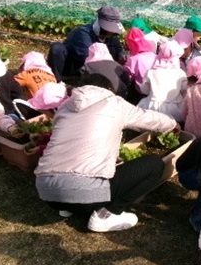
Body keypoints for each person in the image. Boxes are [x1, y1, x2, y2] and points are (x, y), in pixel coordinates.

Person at [34, 73, 178, 232]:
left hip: (46, 192)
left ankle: (67, 207)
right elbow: (149, 118)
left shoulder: (65, 106)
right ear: (109, 89)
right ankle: (107, 215)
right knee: (155, 165)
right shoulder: (114, 103)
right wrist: (173, 124)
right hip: (84, 192)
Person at [47, 6, 125, 81]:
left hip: (91, 70)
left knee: (112, 50)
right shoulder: (83, 33)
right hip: (73, 67)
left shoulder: (111, 38)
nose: (110, 33)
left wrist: (121, 57)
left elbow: (119, 52)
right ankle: (57, 79)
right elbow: (87, 57)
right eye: (108, 30)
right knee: (57, 48)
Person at [137, 40, 187, 122]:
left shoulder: (151, 72)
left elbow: (144, 89)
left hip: (152, 107)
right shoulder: (180, 73)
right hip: (175, 109)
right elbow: (184, 91)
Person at [123, 27, 157, 100]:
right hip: (154, 89)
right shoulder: (153, 55)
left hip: (141, 92)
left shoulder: (134, 59)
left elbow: (127, 75)